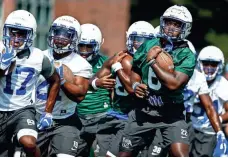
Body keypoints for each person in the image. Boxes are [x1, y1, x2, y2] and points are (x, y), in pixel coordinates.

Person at [118, 5, 195, 157]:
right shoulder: (149, 44)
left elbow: (174, 84)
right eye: (168, 22)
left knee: (181, 155)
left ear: (185, 28)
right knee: (123, 155)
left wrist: (153, 62)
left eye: (176, 24)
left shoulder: (187, 55)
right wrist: (135, 84)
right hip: (144, 111)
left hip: (171, 114)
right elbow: (135, 70)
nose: (170, 27)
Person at [0, 10, 60, 157]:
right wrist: (1, 68)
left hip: (23, 110)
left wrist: (48, 112)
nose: (15, 38)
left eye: (21, 34)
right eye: (12, 33)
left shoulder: (38, 57)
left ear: (31, 35)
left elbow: (56, 80)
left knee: (29, 143)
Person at [93, 21, 155, 156]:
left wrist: (117, 68)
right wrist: (97, 82)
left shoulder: (149, 64)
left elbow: (133, 90)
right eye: (137, 39)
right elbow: (92, 81)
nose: (140, 44)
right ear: (129, 39)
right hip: (115, 113)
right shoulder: (120, 57)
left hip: (132, 118)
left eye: (145, 41)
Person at [35, 16, 92, 157]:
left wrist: (61, 81)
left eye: (66, 35)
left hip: (65, 121)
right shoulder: (39, 56)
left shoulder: (81, 64)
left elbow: (79, 96)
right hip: (37, 116)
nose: (60, 38)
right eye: (57, 32)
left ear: (75, 38)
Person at [76, 23, 115, 156]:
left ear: (97, 45)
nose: (84, 50)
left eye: (89, 46)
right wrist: (96, 83)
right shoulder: (70, 62)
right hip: (77, 118)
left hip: (102, 117)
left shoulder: (107, 63)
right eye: (81, 45)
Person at [186, 46, 228, 157]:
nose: (209, 67)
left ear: (220, 65)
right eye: (206, 63)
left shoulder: (223, 85)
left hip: (208, 132)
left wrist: (220, 118)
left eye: (213, 64)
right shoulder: (192, 78)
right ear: (199, 63)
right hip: (188, 126)